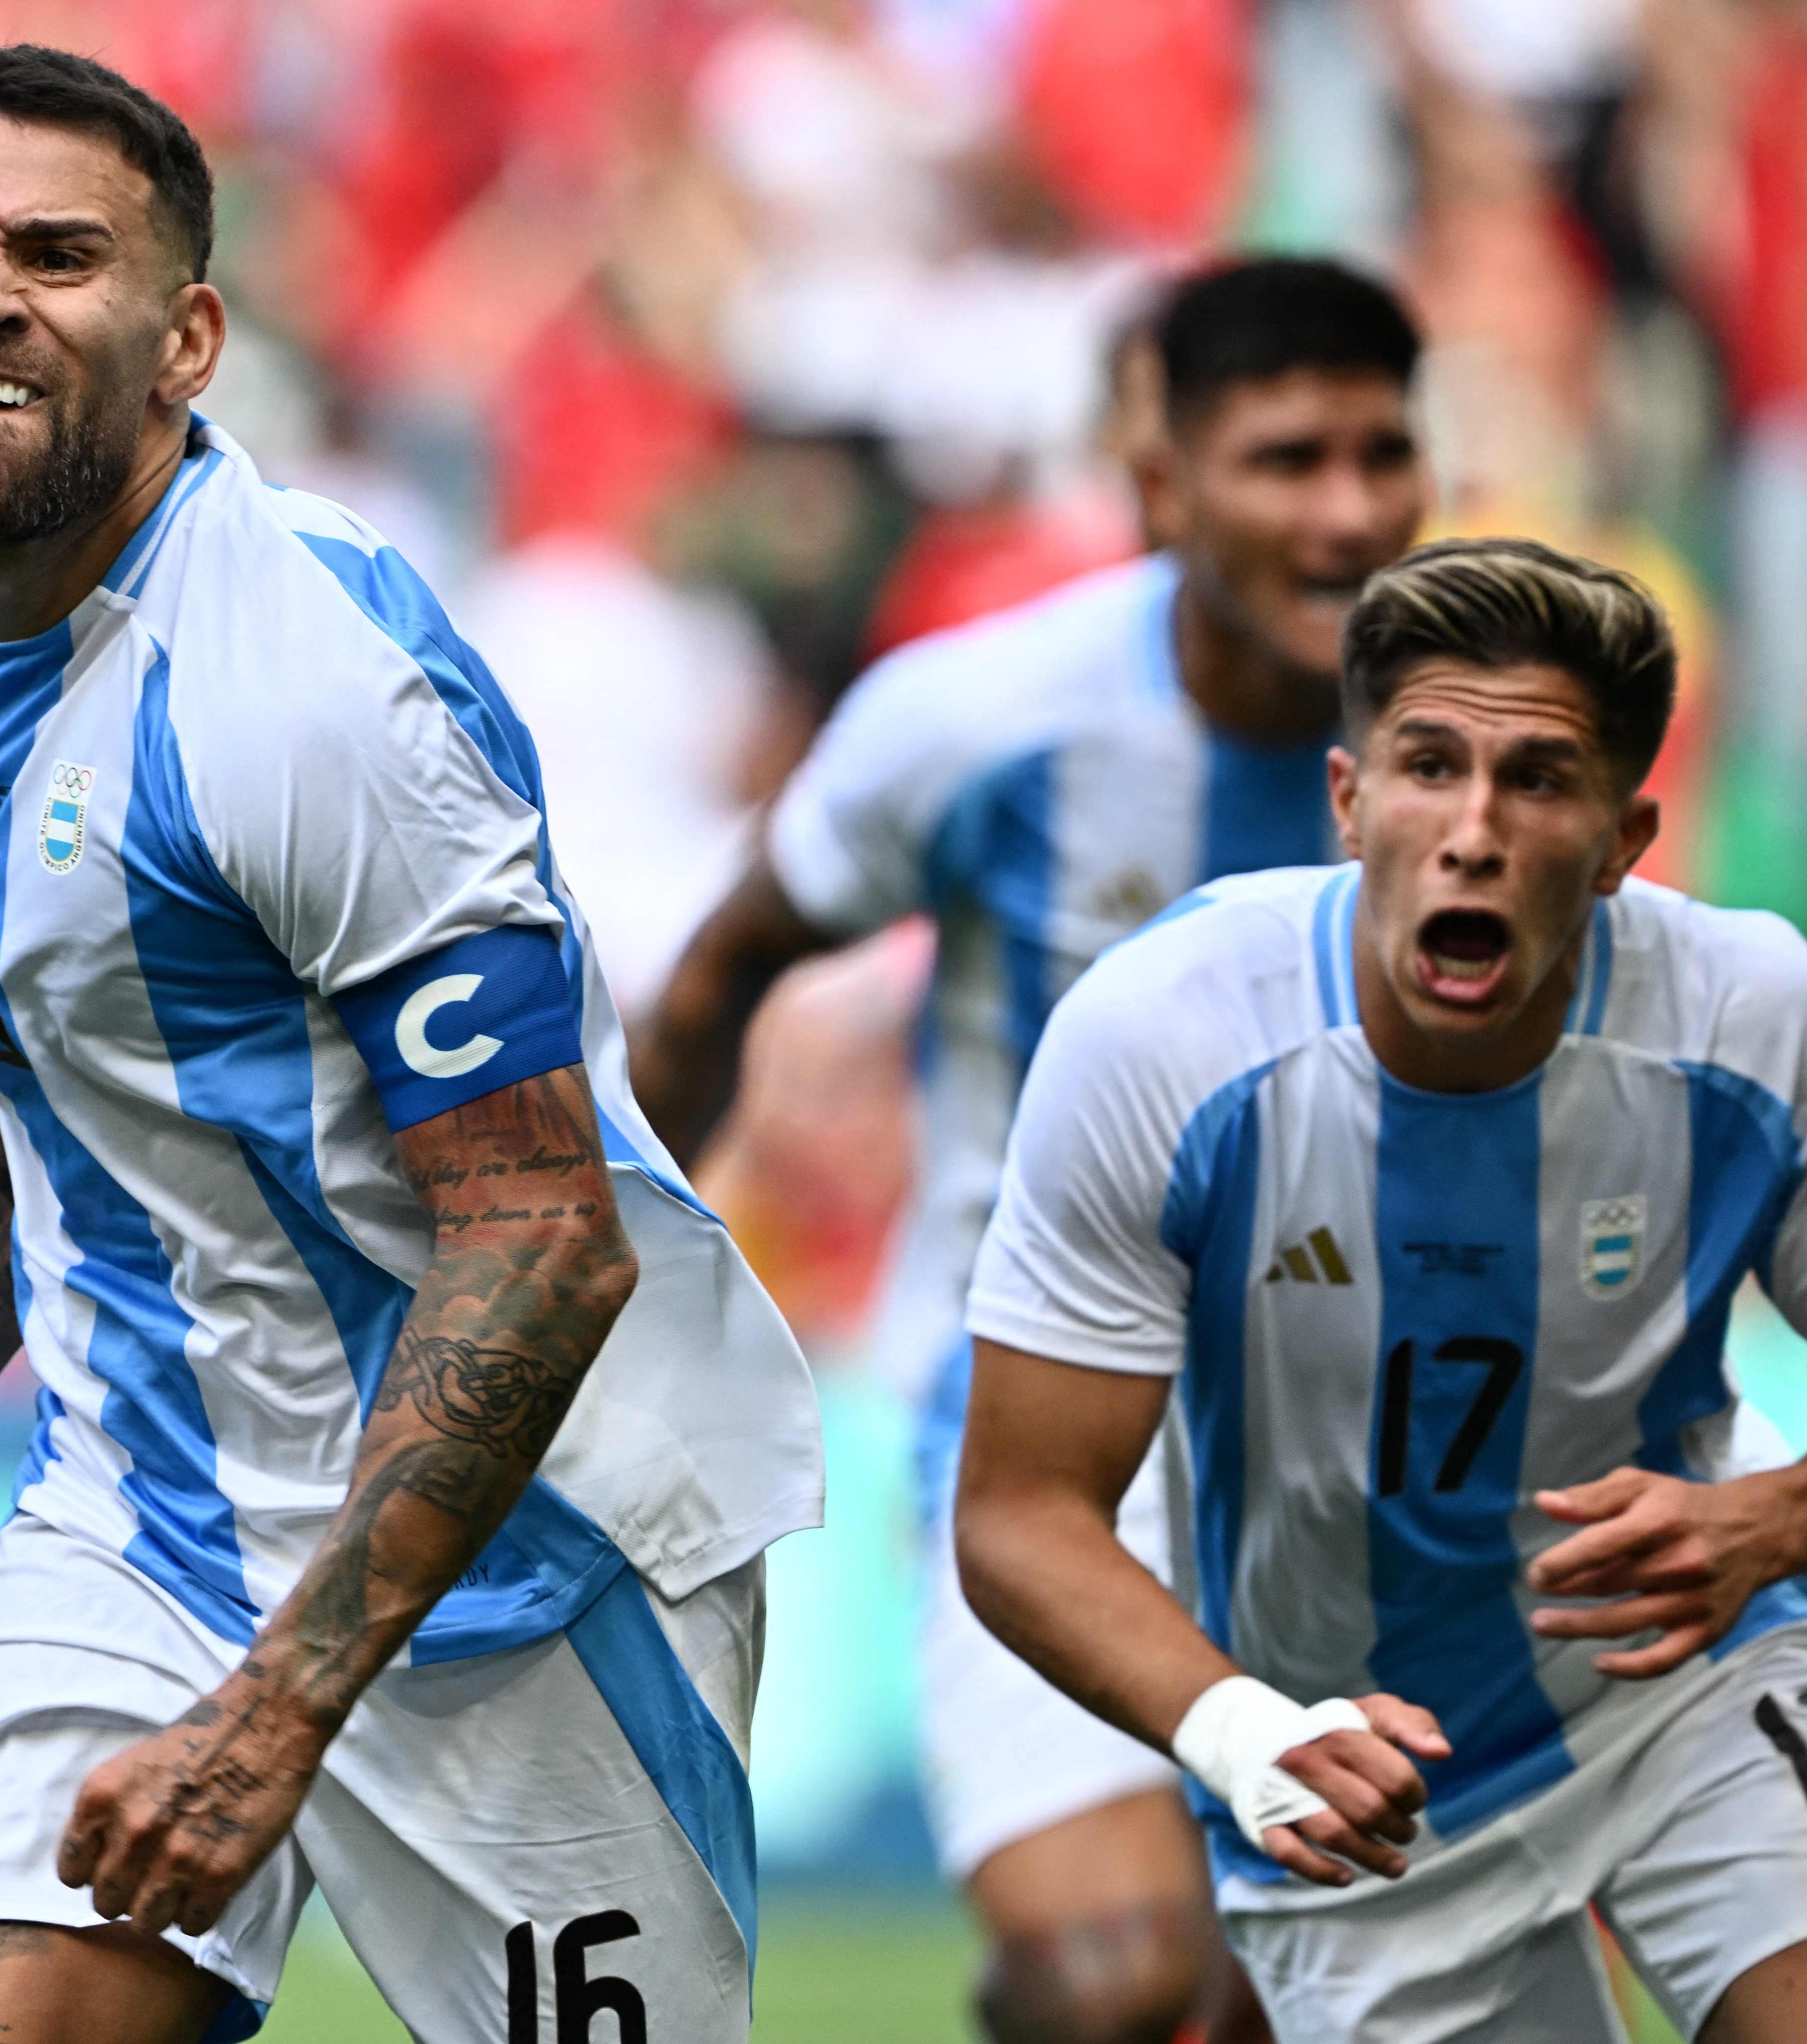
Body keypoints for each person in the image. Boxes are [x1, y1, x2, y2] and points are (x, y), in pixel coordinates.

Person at [0, 45, 822, 2044]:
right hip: (145, 1519)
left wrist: (280, 1707)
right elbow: (54, 1032)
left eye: (56, 255)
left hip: (516, 1565)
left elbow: (543, 1238)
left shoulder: (313, 693)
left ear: (185, 336)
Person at [631, 256, 1427, 2041]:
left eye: (1385, 458)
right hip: (1048, 1431)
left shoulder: (1471, 738)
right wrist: (592, 1286)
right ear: (1162, 483)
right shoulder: (987, 720)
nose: (1347, 513)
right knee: (1111, 1982)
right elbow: (723, 972)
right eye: (1288, 461)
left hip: (1384, 1443)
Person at [957, 537, 1807, 2042]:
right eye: (1429, 765)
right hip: (1361, 1773)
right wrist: (1244, 1732)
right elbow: (1018, 1512)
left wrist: (1767, 1523)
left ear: (1622, 840)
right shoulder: (1166, 1038)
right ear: (1348, 802)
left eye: (1538, 779)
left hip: (1687, 1694)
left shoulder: (1757, 1020)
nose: (1473, 830)